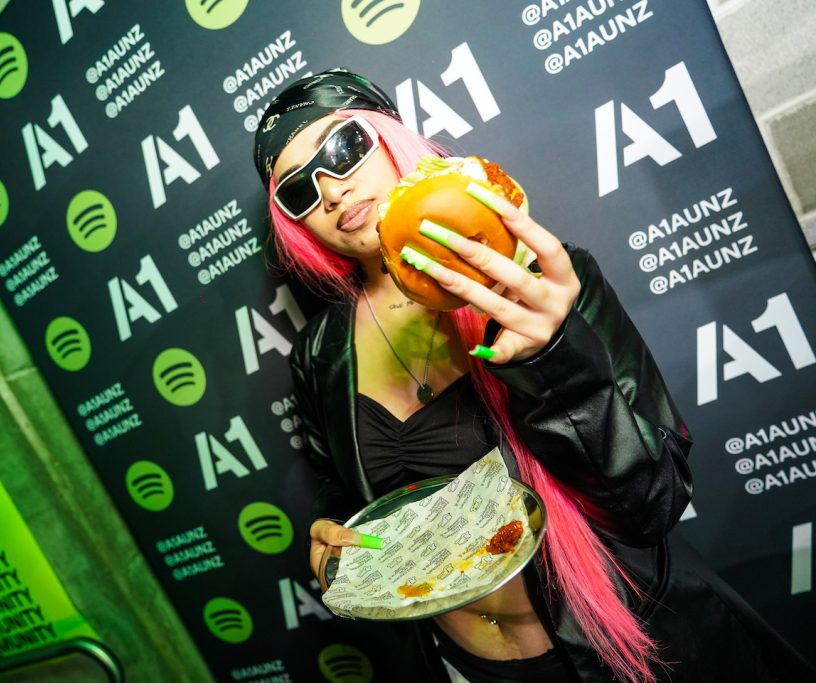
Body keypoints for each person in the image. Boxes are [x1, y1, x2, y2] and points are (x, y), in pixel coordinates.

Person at [253, 69, 814, 683]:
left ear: (392, 137)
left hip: (626, 649)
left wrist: (550, 359)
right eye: (299, 190)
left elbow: (651, 503)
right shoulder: (319, 352)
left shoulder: (540, 281)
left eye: (343, 148)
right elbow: (343, 484)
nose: (331, 191)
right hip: (469, 667)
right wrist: (334, 531)